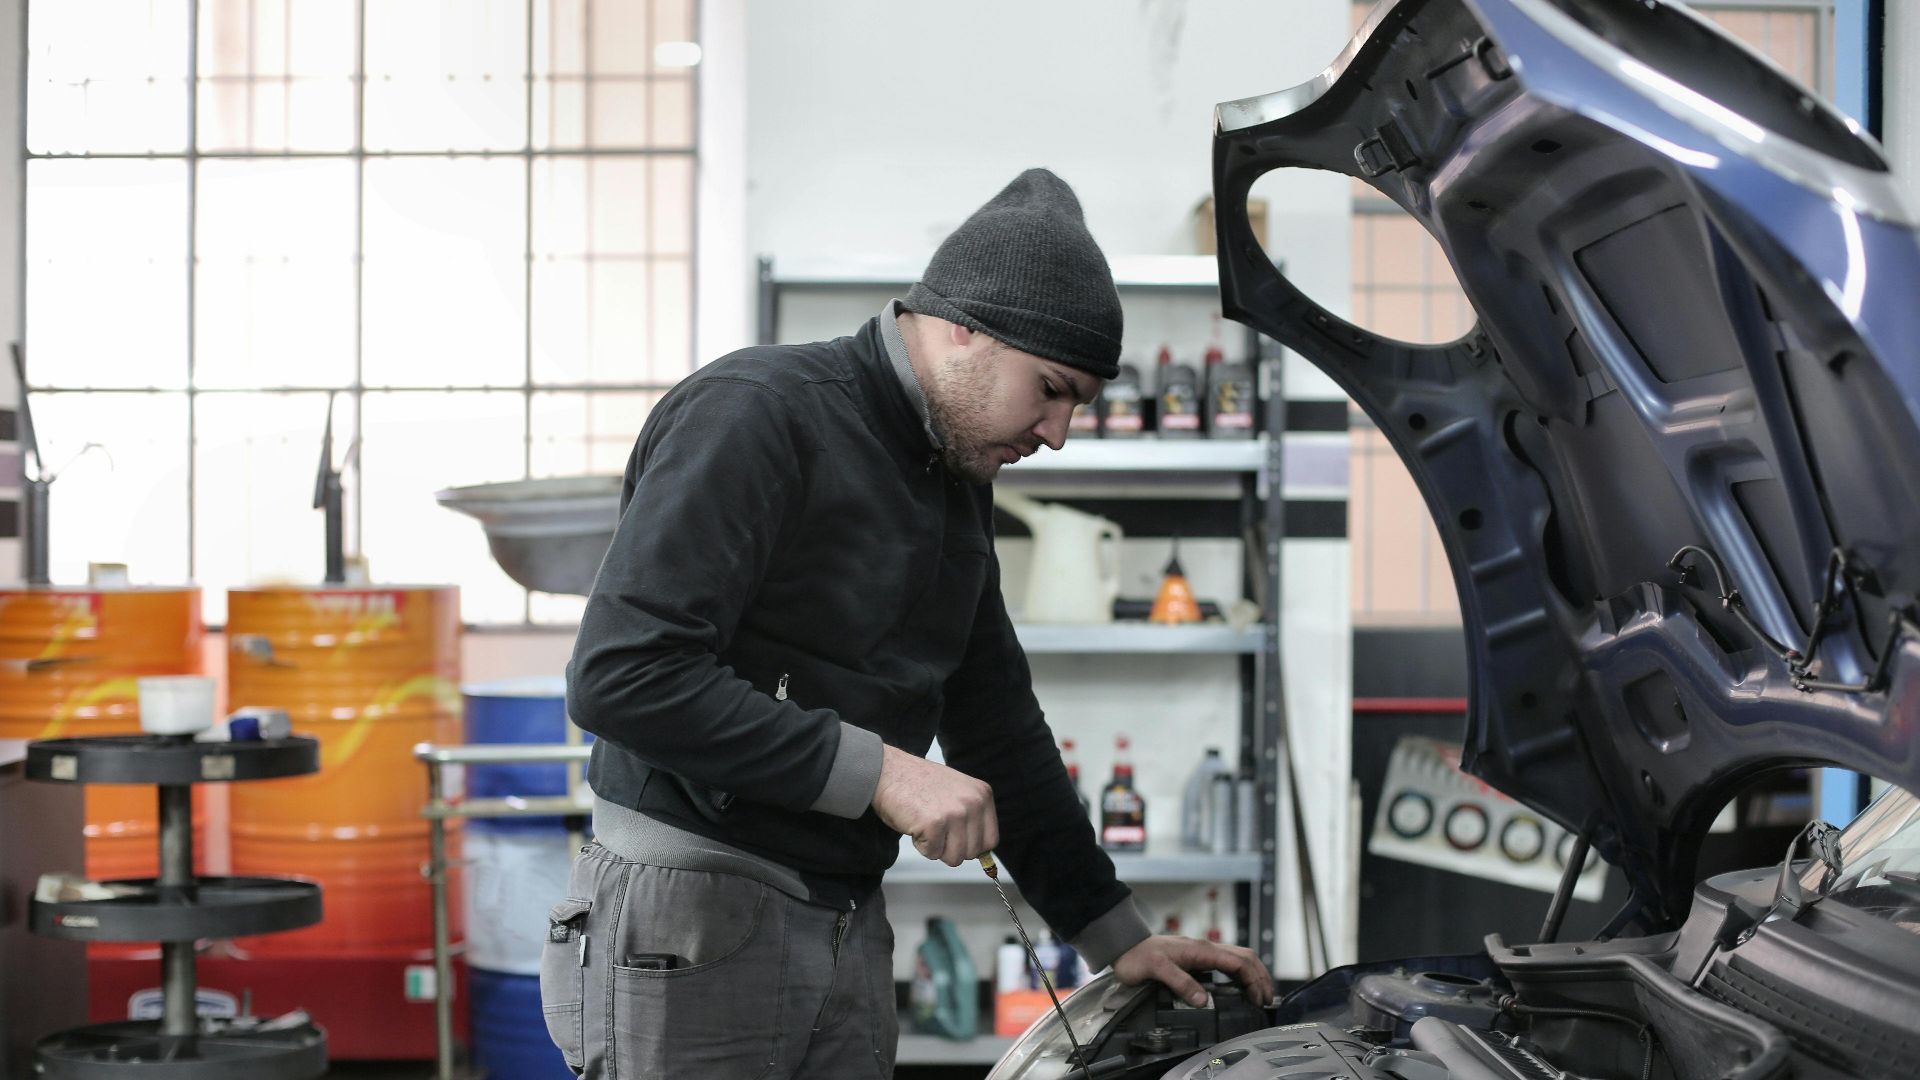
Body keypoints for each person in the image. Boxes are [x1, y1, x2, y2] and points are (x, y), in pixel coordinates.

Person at [545, 168, 1273, 1079]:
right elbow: (621, 676)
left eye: (1078, 402)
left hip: (844, 911)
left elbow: (998, 723)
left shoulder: (952, 483)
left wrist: (1113, 934)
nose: (1058, 433)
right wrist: (884, 772)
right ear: (962, 324)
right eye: (1050, 389)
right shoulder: (759, 414)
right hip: (692, 921)